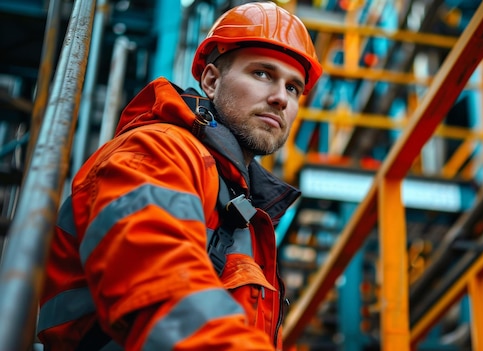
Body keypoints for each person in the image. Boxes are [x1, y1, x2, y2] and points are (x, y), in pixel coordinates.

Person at [36, 1, 322, 350]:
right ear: (211, 81)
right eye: (262, 73)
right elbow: (164, 294)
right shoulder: (156, 153)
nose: (280, 97)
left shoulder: (243, 206)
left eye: (293, 87)